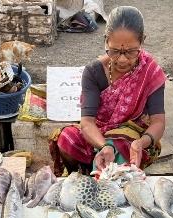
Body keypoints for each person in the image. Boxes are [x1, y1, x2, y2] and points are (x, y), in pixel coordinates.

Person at [49, 6, 166, 176]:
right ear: (106, 41)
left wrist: (141, 143)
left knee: (120, 146)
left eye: (131, 51)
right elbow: (87, 123)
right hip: (98, 135)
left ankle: (112, 174)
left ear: (142, 42)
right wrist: (104, 146)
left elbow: (158, 123)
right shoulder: (93, 72)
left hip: (132, 138)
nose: (123, 59)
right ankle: (84, 173)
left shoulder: (151, 72)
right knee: (67, 138)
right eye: (115, 51)